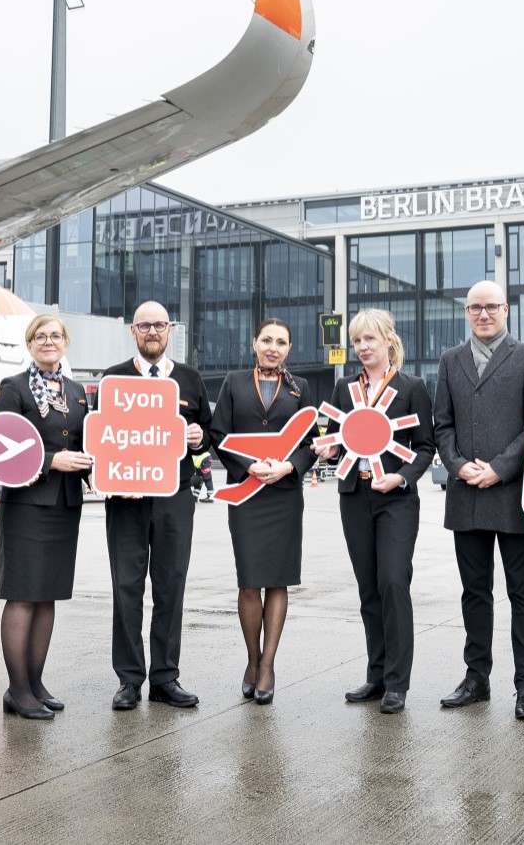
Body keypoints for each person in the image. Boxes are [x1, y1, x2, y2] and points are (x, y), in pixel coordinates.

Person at [434, 281, 524, 721]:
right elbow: (441, 425)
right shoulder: (451, 361)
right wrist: (458, 465)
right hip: (466, 496)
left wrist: (500, 468)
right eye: (474, 308)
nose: (483, 315)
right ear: (467, 313)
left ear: (506, 309)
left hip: (514, 496)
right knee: (474, 593)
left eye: (491, 307)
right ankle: (476, 678)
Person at [100, 301, 213, 711]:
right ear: (133, 331)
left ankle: (165, 677)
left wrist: (200, 438)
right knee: (126, 588)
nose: (152, 331)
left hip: (174, 498)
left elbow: (210, 434)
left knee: (170, 586)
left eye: (159, 325)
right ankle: (129, 679)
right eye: (144, 325)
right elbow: (97, 437)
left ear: (170, 331)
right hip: (125, 501)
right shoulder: (112, 379)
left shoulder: (189, 378)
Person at [328, 309, 435, 714]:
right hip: (354, 495)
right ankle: (376, 674)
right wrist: (330, 448)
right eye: (357, 341)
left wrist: (403, 477)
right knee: (368, 588)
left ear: (389, 340)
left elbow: (426, 446)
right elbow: (340, 438)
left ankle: (397, 683)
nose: (363, 347)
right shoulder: (343, 388)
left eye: (370, 339)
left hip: (395, 498)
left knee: (392, 582)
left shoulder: (412, 388)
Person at [208, 317, 318, 705]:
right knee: (249, 580)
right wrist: (248, 466)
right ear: (254, 343)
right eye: (267, 340)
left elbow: (312, 442)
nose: (273, 347)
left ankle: (268, 666)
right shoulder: (234, 382)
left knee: (279, 581)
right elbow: (218, 433)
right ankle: (252, 660)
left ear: (289, 348)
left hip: (284, 494)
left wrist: (290, 467)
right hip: (247, 491)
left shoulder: (300, 387)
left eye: (281, 342)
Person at [0, 314, 92, 720]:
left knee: (48, 595)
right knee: (22, 594)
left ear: (65, 342)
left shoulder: (76, 390)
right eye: (40, 336)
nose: (48, 341)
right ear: (29, 344)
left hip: (66, 505)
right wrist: (53, 460)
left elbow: (88, 441)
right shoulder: (13, 388)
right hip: (26, 504)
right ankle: (17, 689)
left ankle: (35, 682)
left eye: (55, 335)